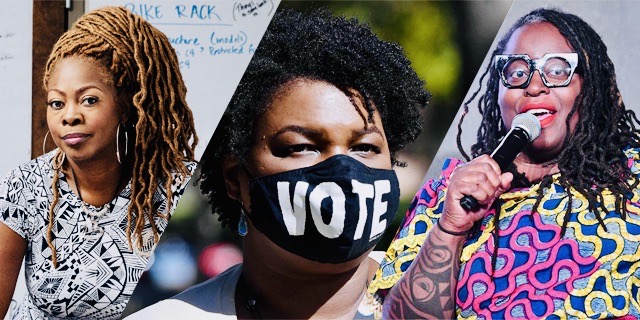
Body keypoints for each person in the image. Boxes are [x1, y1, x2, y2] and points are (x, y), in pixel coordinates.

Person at [127, 8, 429, 320]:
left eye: (365, 147)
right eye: (301, 147)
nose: (344, 172)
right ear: (234, 177)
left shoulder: (465, 299)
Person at [370, 7, 640, 319]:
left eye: (557, 69)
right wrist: (451, 228)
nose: (534, 86)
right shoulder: (446, 193)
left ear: (590, 85)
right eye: (517, 72)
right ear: (499, 92)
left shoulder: (630, 179)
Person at [0, 6, 198, 320]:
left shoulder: (173, 186)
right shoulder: (24, 186)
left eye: (89, 99)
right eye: (57, 102)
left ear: (128, 104)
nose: (69, 115)